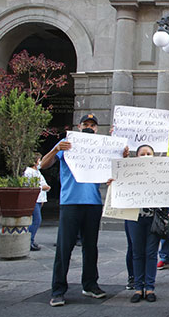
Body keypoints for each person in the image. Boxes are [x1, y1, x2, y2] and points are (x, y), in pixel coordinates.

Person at [41, 113, 128, 307]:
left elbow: (116, 169)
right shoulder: (66, 144)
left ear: (97, 129)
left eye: (93, 125)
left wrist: (121, 153)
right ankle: (58, 290)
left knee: (91, 247)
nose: (89, 127)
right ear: (79, 127)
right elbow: (43, 165)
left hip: (93, 203)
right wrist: (56, 149)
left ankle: (90, 285)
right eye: (86, 124)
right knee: (64, 248)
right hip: (70, 202)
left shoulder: (101, 147)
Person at [109, 144, 167, 303]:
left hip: (153, 220)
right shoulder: (129, 174)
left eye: (149, 153)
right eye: (142, 153)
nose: (146, 156)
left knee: (151, 253)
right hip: (134, 219)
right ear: (137, 157)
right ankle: (137, 287)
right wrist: (112, 183)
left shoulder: (161, 174)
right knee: (137, 252)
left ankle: (150, 288)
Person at [23, 152, 51, 251]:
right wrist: (41, 187)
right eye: (40, 160)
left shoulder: (38, 172)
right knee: (36, 220)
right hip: (33, 199)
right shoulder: (28, 172)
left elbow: (44, 184)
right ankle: (28, 241)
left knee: (36, 220)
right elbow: (28, 186)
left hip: (39, 199)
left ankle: (30, 240)